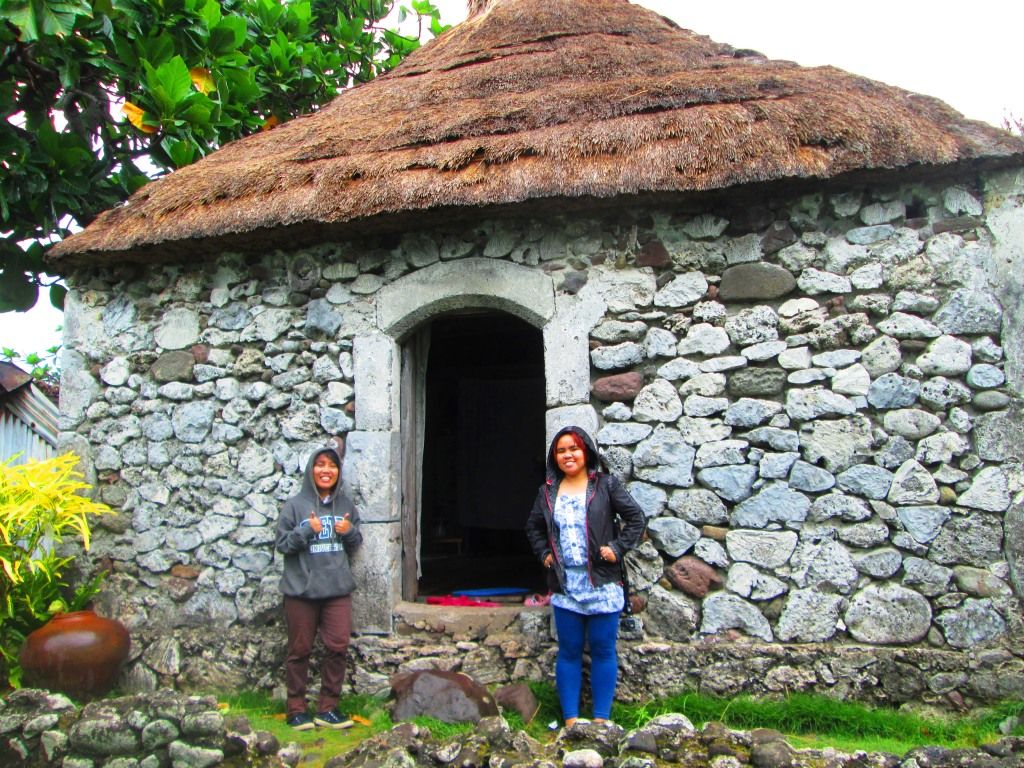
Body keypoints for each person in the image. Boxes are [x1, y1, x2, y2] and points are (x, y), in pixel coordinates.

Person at [525, 425, 646, 727]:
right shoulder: (548, 492)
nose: (568, 455)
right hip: (567, 584)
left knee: (604, 649)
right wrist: (544, 554)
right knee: (569, 651)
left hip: (603, 583)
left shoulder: (605, 485)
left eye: (574, 448)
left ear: (586, 452)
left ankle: (601, 721)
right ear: (555, 457)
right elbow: (533, 528)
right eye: (561, 450)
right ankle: (570, 720)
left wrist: (617, 548)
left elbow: (636, 518)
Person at [275, 439, 362, 730]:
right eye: (320, 465)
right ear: (311, 470)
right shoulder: (295, 506)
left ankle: (328, 708)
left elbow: (355, 542)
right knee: (299, 650)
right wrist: (304, 531)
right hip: (301, 591)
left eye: (332, 466)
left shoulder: (346, 505)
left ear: (338, 472)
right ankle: (296, 708)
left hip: (336, 590)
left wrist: (348, 531)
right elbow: (283, 545)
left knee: (337, 647)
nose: (326, 471)